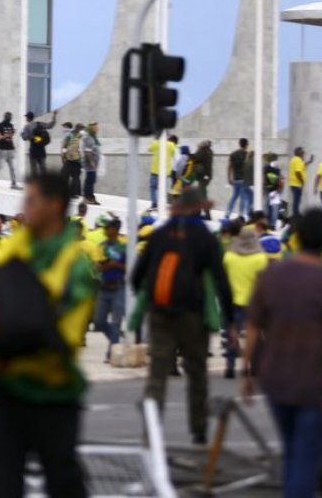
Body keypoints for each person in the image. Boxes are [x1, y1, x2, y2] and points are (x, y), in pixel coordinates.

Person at [0, 173, 98, 498]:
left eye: (30, 200)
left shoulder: (74, 265)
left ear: (54, 205)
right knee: (0, 483)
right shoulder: (14, 250)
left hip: (54, 393)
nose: (23, 208)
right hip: (10, 390)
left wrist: (4, 345)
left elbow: (65, 335)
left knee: (63, 482)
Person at [131, 187, 235, 445]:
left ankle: (151, 434)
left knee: (157, 374)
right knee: (197, 372)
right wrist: (230, 322)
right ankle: (198, 431)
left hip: (159, 313)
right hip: (192, 314)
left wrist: (148, 305)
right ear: (199, 207)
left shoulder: (160, 234)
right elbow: (221, 281)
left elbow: (137, 276)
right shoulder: (204, 237)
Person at [242, 208, 322, 497]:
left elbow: (252, 326)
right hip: (313, 384)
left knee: (292, 449)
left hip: (275, 379)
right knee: (305, 455)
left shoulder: (272, 275)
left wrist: (246, 371)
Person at [222, 226, 267, 379]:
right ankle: (254, 367)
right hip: (253, 302)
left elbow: (224, 277)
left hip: (233, 301)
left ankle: (230, 366)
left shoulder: (229, 256)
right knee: (254, 335)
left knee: (232, 334)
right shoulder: (260, 258)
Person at [91, 217, 126, 362]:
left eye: (108, 228)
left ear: (115, 230)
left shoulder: (125, 246)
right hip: (104, 288)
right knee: (98, 321)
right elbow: (98, 266)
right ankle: (116, 339)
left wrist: (116, 265)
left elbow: (130, 266)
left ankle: (111, 352)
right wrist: (109, 265)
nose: (105, 231)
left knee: (116, 321)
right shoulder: (102, 246)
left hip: (119, 287)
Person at [20, 110, 56, 176]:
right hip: (42, 150)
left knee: (34, 170)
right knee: (43, 169)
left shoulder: (27, 126)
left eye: (26, 117)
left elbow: (24, 137)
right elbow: (50, 125)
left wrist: (29, 137)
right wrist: (54, 116)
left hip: (33, 151)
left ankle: (36, 184)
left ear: (27, 118)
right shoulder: (40, 124)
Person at [0, 111, 20, 189]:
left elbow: (11, 137)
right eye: (8, 117)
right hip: (2, 149)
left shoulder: (11, 125)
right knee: (0, 166)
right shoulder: (0, 125)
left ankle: (13, 184)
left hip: (10, 149)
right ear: (5, 117)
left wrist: (13, 147)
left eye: (10, 117)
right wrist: (4, 136)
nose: (10, 118)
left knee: (12, 167)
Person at [148, 134, 178, 209]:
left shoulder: (156, 143)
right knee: (162, 188)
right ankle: (161, 203)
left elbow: (149, 149)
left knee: (153, 187)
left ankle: (154, 204)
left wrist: (156, 141)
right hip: (166, 171)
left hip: (155, 170)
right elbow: (177, 157)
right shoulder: (171, 145)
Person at [226, 138, 253, 219]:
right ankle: (241, 214)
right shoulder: (248, 155)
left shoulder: (233, 154)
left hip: (235, 179)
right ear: (246, 145)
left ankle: (228, 212)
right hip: (244, 179)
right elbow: (249, 168)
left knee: (234, 196)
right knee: (244, 197)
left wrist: (229, 178)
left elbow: (229, 167)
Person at [60, 123, 84, 198]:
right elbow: (65, 146)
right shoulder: (76, 136)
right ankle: (73, 193)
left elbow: (64, 147)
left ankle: (71, 193)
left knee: (70, 175)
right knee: (73, 176)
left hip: (73, 159)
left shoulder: (72, 136)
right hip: (74, 159)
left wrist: (63, 156)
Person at [81, 121, 102, 205]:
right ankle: (87, 197)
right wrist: (91, 162)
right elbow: (87, 151)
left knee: (91, 180)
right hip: (90, 163)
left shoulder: (93, 136)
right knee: (90, 180)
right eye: (95, 127)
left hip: (93, 163)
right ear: (91, 128)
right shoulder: (88, 137)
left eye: (97, 127)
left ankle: (90, 197)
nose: (97, 128)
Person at [288, 147, 310, 217]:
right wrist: (302, 182)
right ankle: (296, 214)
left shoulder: (294, 160)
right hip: (297, 184)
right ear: (298, 153)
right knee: (297, 200)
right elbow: (298, 172)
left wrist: (309, 162)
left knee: (296, 199)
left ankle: (296, 213)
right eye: (302, 152)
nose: (303, 154)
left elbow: (302, 167)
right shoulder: (298, 160)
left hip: (293, 183)